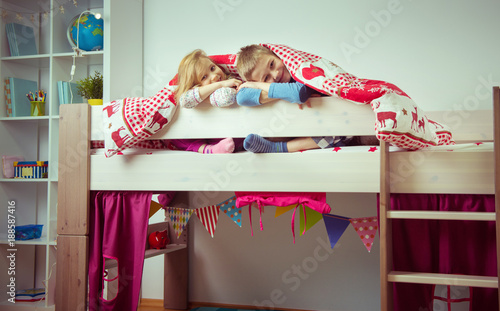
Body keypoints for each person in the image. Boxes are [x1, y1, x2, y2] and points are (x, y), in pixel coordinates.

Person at [235, 44, 376, 153]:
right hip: (309, 126)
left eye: (272, 64)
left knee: (335, 131)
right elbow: (242, 97)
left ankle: (278, 148)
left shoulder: (301, 73)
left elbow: (298, 94)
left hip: (344, 125)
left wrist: (259, 84)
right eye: (266, 78)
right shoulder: (283, 82)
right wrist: (283, 94)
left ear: (275, 54)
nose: (276, 74)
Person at [170, 49, 245, 154]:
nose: (214, 75)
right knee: (177, 136)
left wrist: (208, 96)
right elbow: (184, 100)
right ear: (195, 84)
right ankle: (209, 149)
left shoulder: (231, 80)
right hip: (210, 136)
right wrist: (219, 85)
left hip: (236, 133)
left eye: (212, 68)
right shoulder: (197, 93)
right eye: (204, 77)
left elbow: (226, 97)